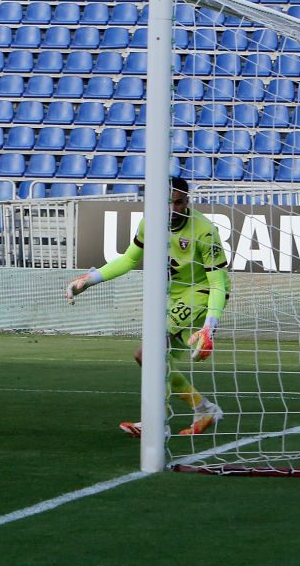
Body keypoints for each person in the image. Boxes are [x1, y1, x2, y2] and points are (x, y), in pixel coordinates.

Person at [66, 177, 230, 437]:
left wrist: (210, 325)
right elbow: (130, 258)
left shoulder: (205, 230)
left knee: (149, 353)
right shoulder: (149, 223)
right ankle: (203, 408)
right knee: (149, 357)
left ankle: (156, 424)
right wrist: (90, 280)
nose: (173, 209)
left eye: (179, 203)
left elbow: (218, 281)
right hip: (170, 296)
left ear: (187, 201)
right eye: (168, 203)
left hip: (199, 293)